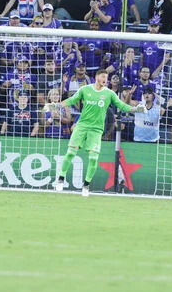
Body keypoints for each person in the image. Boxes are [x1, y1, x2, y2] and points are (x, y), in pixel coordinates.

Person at [54, 69, 147, 197]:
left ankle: (86, 185)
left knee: (93, 159)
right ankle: (60, 179)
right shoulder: (85, 89)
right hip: (82, 126)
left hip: (96, 130)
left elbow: (121, 105)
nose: (105, 80)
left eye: (106, 78)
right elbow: (71, 100)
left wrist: (135, 109)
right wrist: (57, 106)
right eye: (103, 77)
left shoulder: (109, 93)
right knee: (70, 153)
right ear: (97, 77)